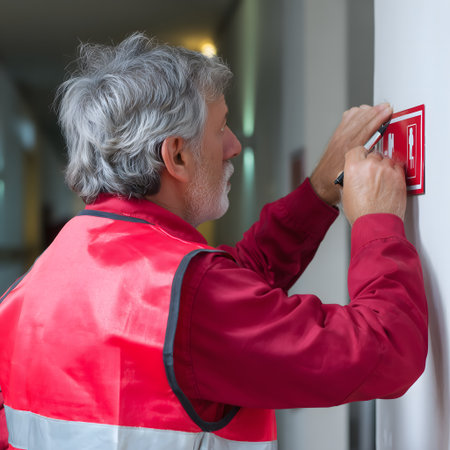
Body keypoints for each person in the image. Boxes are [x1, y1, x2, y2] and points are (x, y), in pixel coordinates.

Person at [0, 33, 427, 449]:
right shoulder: (187, 298)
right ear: (177, 156)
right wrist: (376, 221)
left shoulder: (32, 290)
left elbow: (225, 289)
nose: (236, 146)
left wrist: (317, 193)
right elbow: (385, 350)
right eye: (221, 128)